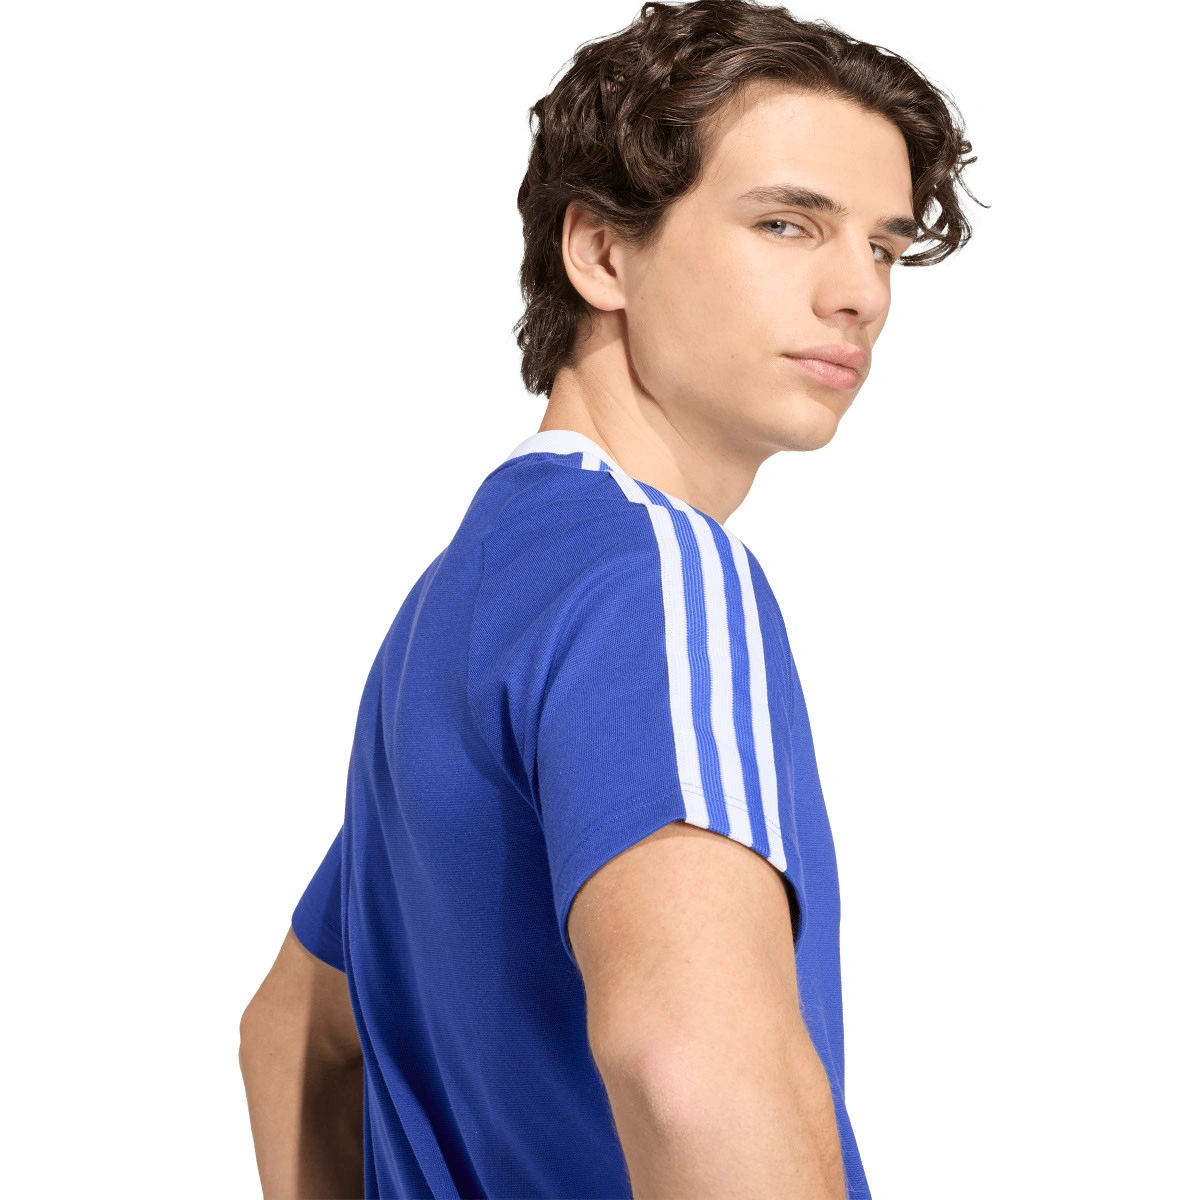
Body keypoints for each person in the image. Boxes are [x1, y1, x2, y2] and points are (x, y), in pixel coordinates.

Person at [238, 2, 982, 1196]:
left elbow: (291, 1033)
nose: (860, 293)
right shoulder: (661, 580)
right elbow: (692, 1075)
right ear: (600, 253)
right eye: (787, 223)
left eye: (884, 247)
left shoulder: (460, 607)